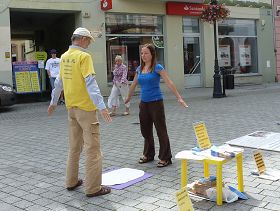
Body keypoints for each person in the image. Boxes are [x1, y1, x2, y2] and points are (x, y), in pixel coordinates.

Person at [47, 27, 112, 197]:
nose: (89, 43)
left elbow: (58, 83)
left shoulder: (64, 57)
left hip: (71, 110)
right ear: (82, 39)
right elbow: (91, 83)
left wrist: (53, 102)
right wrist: (102, 106)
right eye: (89, 40)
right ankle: (93, 188)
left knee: (74, 147)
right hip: (86, 110)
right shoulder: (84, 56)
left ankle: (71, 181)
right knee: (93, 149)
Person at [125, 43, 188, 168]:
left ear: (152, 54)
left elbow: (169, 82)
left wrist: (179, 98)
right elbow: (134, 84)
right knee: (146, 130)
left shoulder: (157, 67)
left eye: (146, 53)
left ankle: (165, 157)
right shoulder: (139, 69)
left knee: (160, 130)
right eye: (142, 53)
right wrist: (128, 97)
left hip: (156, 102)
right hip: (144, 103)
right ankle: (148, 154)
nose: (143, 55)